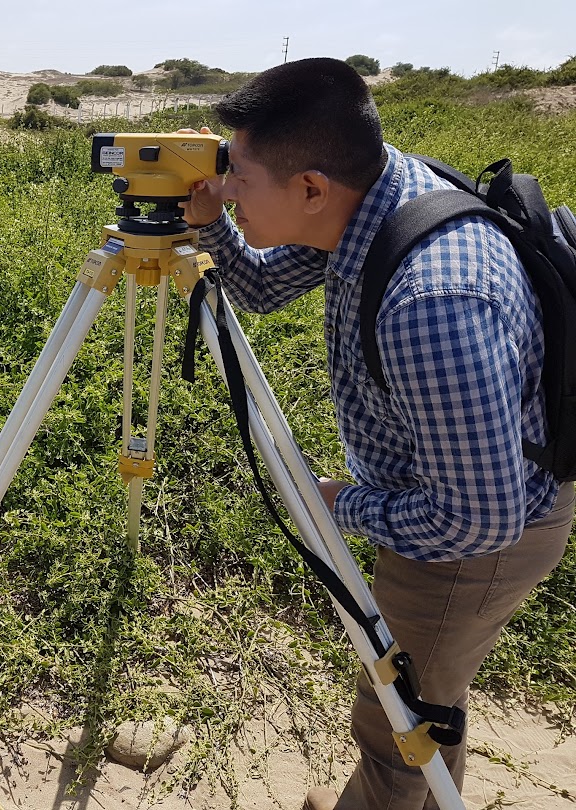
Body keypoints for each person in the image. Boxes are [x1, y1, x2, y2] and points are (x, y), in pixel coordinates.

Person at [180, 57, 574, 810]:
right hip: (464, 493)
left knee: (400, 721)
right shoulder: (368, 195)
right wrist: (212, 225)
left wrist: (339, 505)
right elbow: (260, 285)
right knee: (427, 701)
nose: (227, 186)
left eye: (239, 175)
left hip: (479, 539)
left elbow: (476, 519)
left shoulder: (433, 299)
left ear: (309, 188)